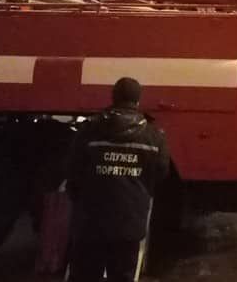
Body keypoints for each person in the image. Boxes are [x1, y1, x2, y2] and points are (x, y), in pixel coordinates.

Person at [66, 77, 170, 282]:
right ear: (138, 102)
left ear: (113, 97)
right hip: (129, 224)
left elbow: (73, 171)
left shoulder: (89, 130)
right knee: (122, 275)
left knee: (84, 274)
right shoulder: (153, 136)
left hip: (90, 222)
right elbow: (160, 173)